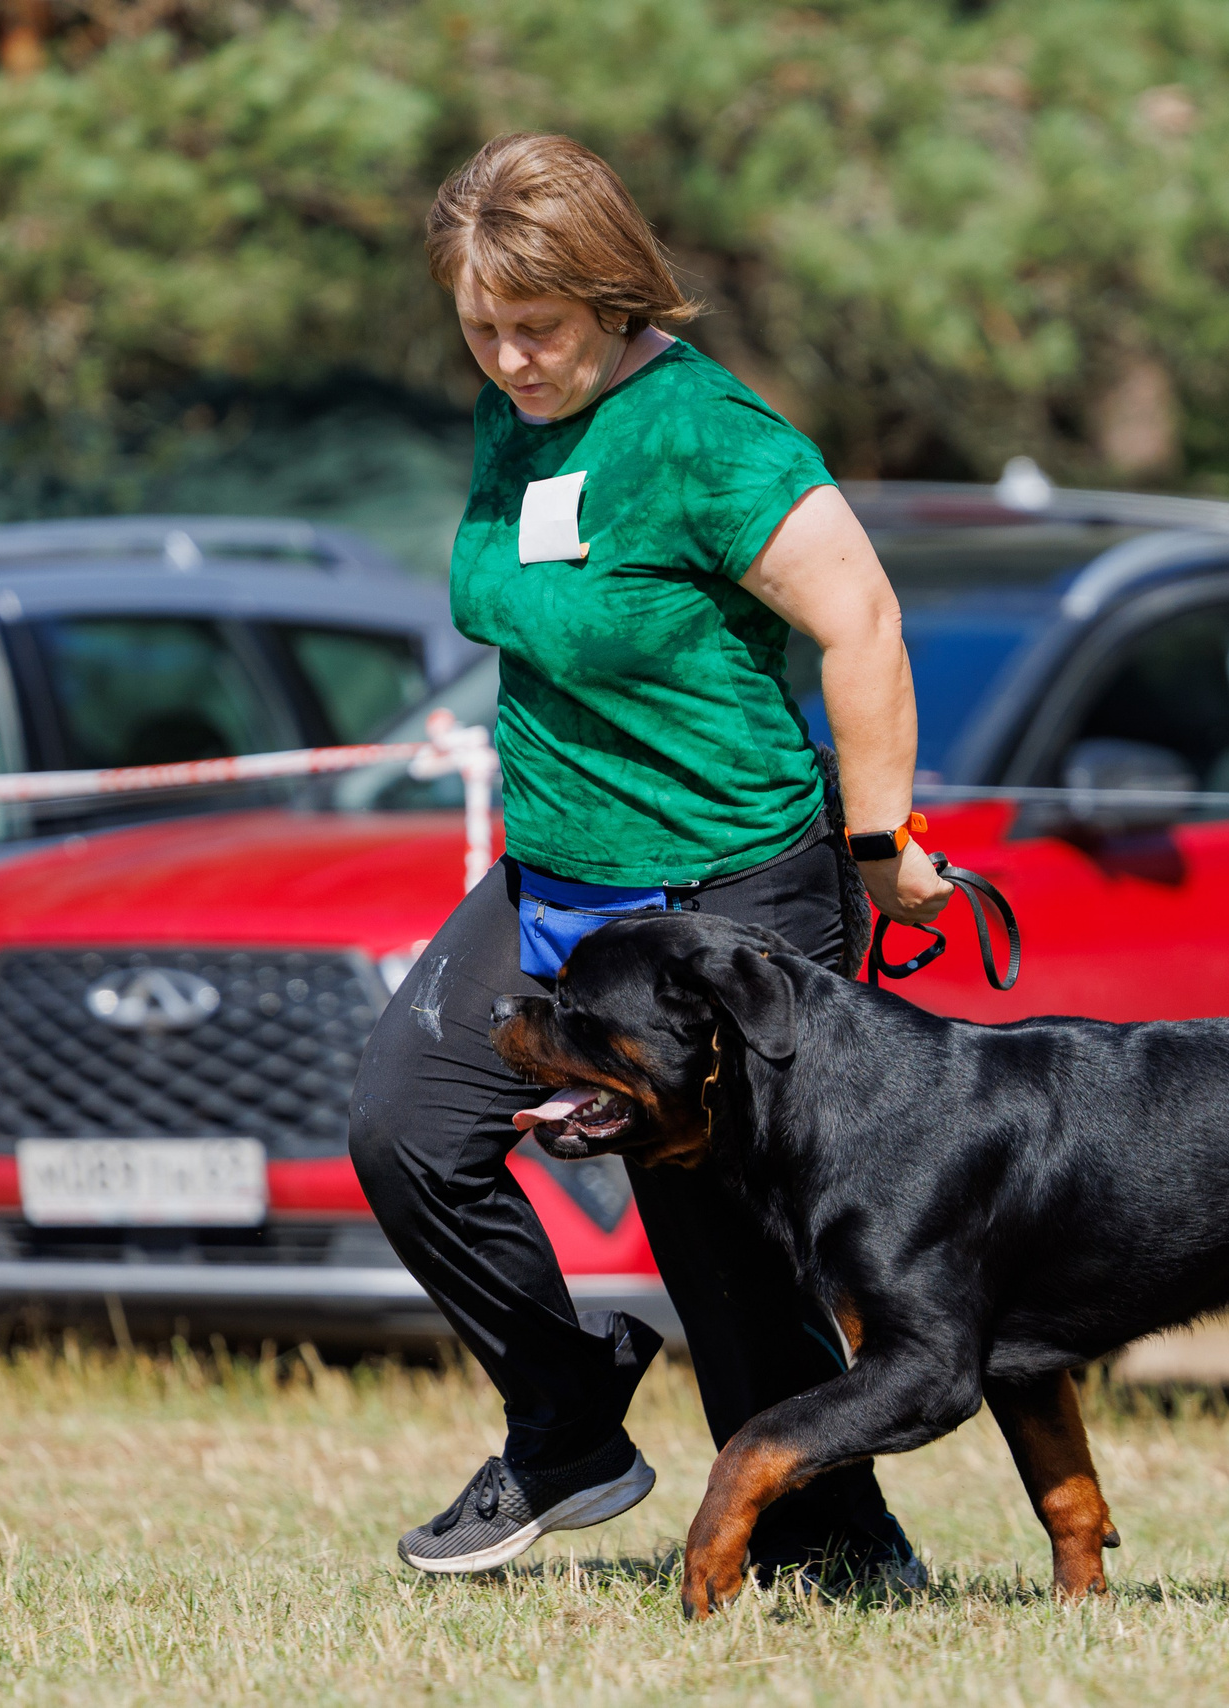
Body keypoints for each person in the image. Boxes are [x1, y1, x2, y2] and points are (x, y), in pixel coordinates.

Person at [348, 133, 952, 1582]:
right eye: (481, 330)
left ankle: (840, 1542)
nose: (508, 359)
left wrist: (882, 844)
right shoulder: (519, 416)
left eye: (537, 328)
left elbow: (860, 619)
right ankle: (567, 1426)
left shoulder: (709, 434)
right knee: (408, 1127)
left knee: (724, 1249)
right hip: (555, 876)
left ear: (614, 297)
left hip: (725, 887)